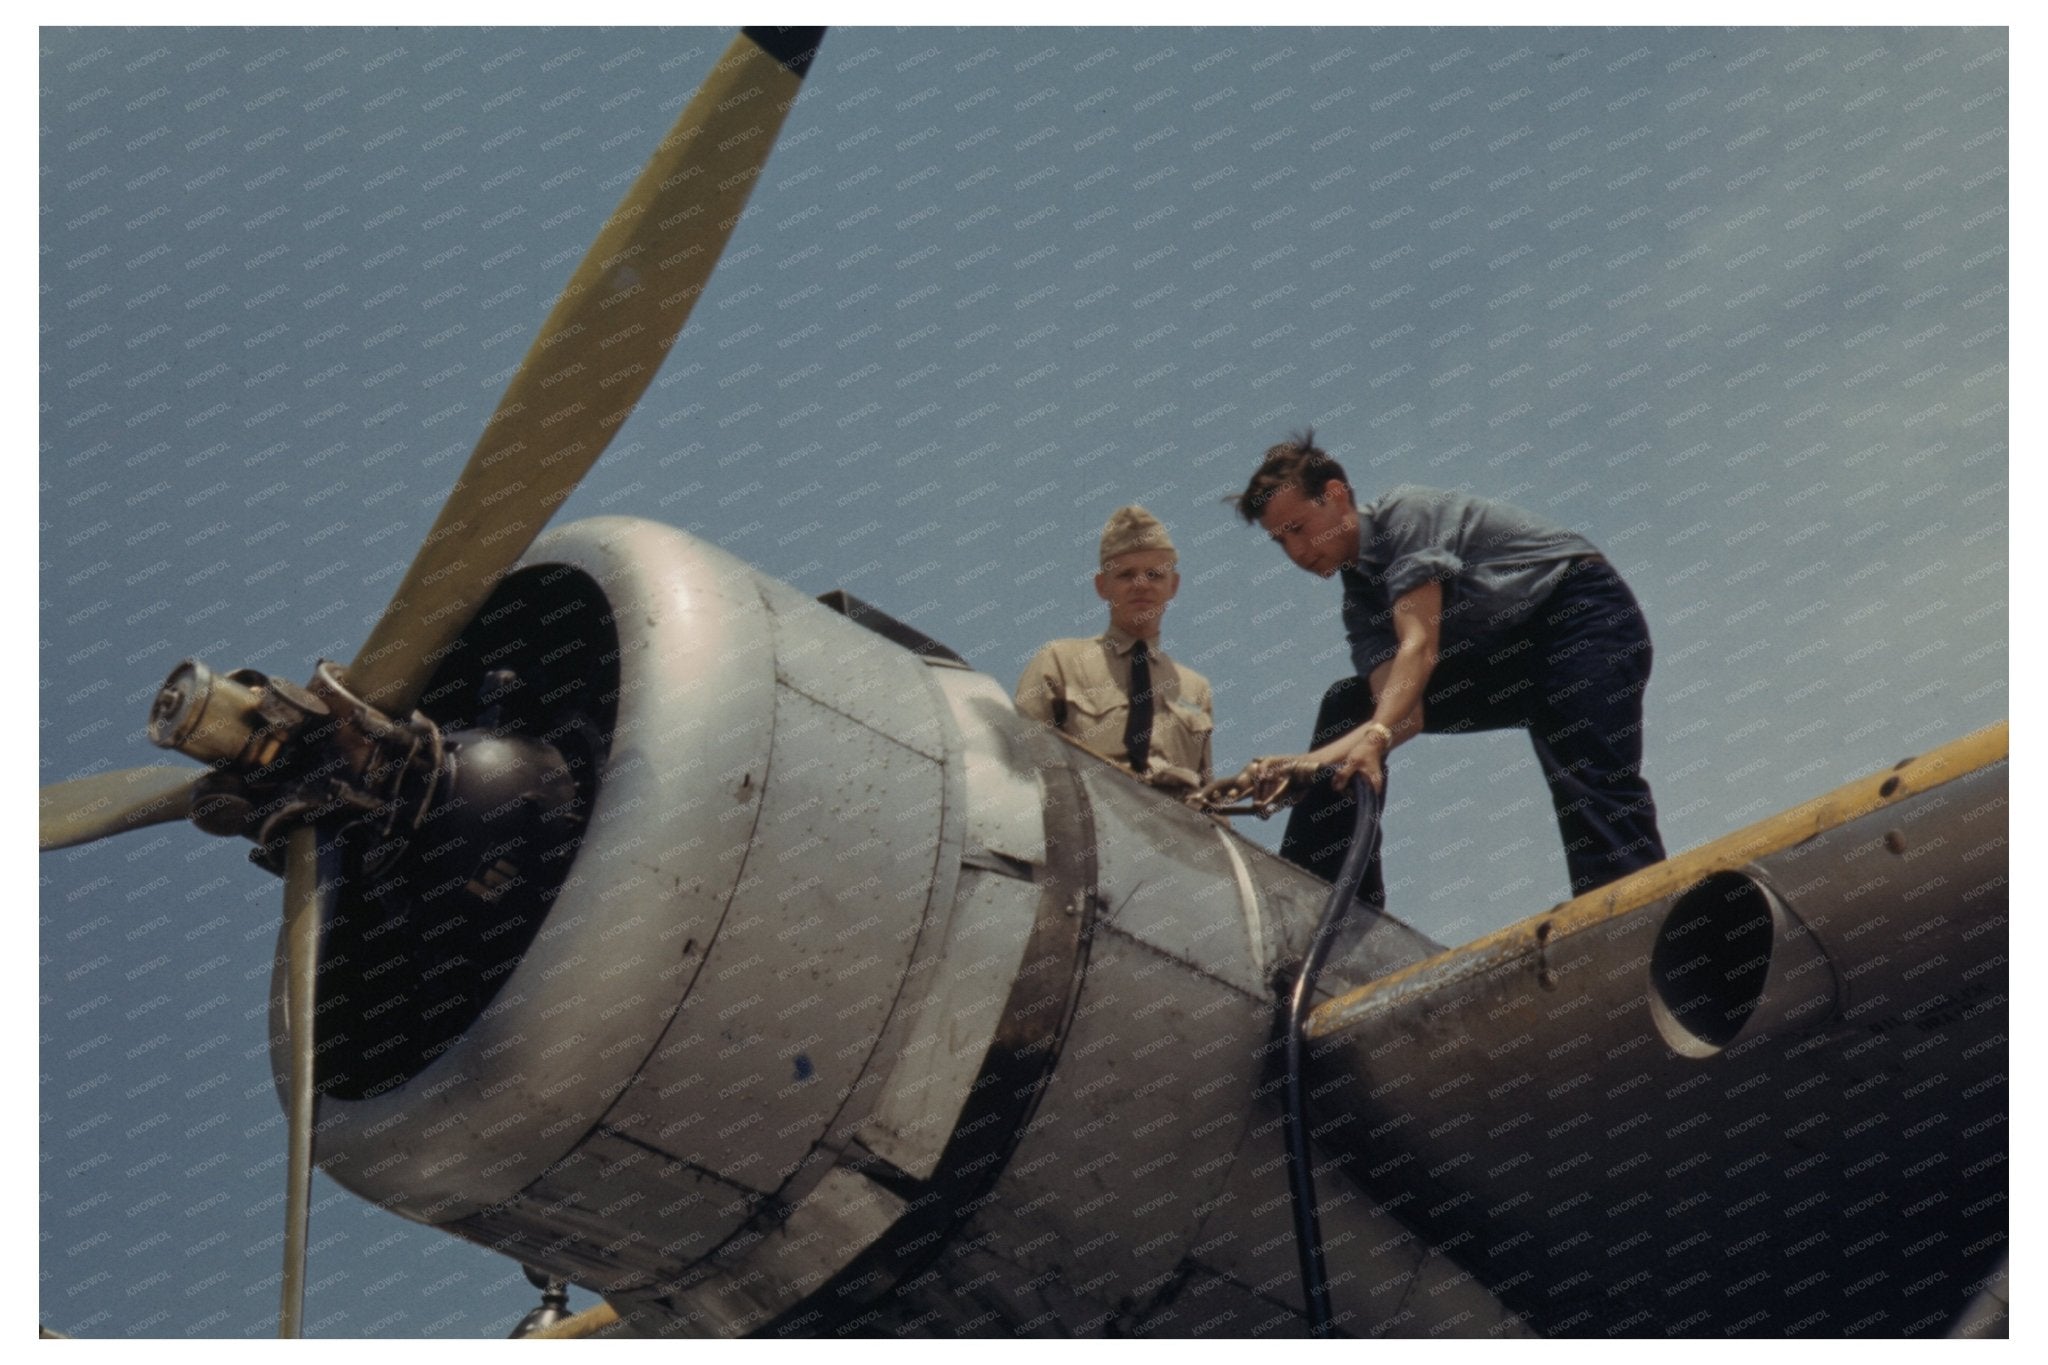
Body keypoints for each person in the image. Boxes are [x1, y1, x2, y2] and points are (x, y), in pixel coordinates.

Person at [1231, 430, 1663, 904]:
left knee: (1587, 774)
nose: (1296, 552)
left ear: (1335, 495)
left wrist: (1373, 738)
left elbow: (1419, 646)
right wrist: (1307, 765)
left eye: (1299, 528)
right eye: (1280, 541)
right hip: (1505, 659)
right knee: (1348, 704)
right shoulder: (1360, 604)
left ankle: (1632, 916)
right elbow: (1401, 714)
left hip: (1579, 617)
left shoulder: (1406, 513)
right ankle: (1328, 901)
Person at [1015, 506, 1214, 791]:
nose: (1141, 585)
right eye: (1126, 575)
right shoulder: (1059, 662)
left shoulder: (1195, 690)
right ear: (1101, 586)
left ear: (1174, 585)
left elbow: (1209, 804)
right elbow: (1021, 767)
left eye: (1154, 574)